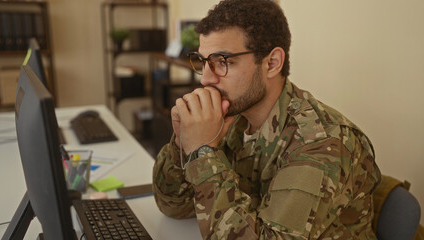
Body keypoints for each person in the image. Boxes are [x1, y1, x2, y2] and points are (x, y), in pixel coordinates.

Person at [152, 0, 381, 239]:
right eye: (203, 61)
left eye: (223, 62)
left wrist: (202, 153)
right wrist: (183, 143)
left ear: (272, 63)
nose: (205, 79)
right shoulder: (232, 118)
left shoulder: (323, 143)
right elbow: (173, 206)